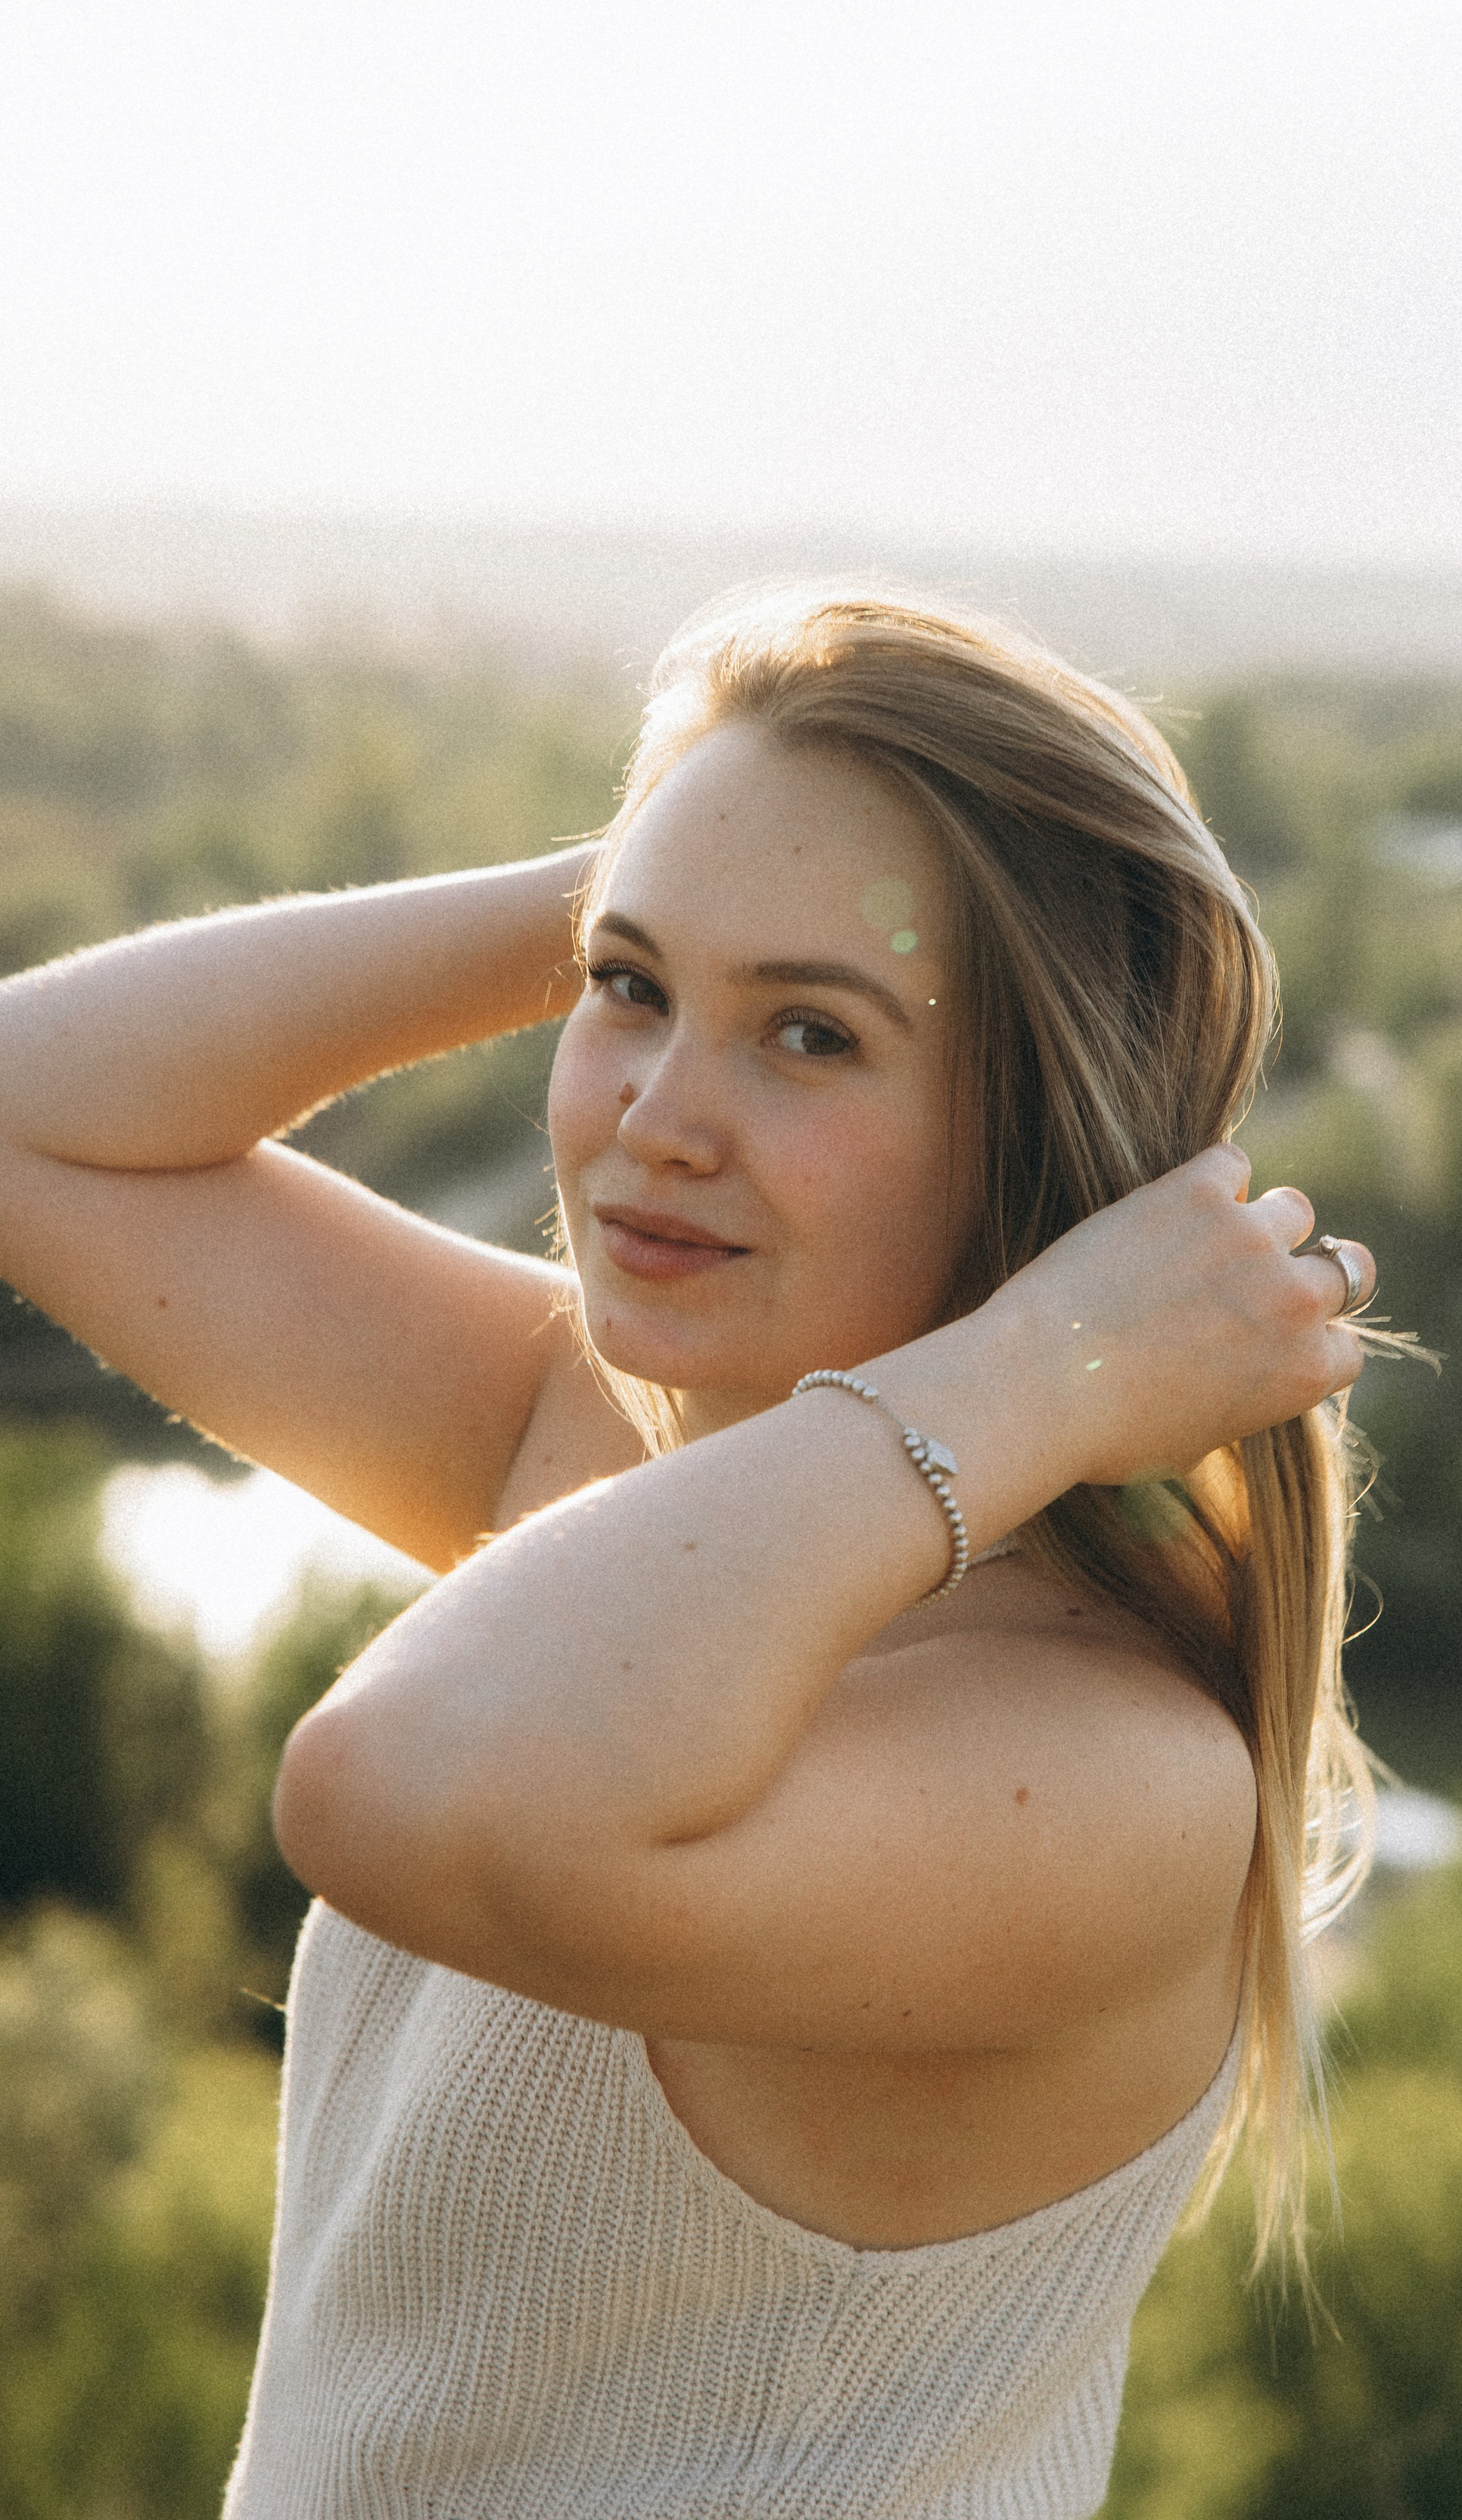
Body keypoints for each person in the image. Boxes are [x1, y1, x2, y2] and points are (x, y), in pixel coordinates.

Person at [0, 584, 1381, 2518]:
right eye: (628, 993)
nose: (656, 1117)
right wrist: (676, 855)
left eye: (809, 1035)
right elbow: (30, 1117)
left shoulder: (1111, 1781)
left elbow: (399, 1791)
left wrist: (1028, 1374)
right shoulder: (630, 1455)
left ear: (1035, 1139)